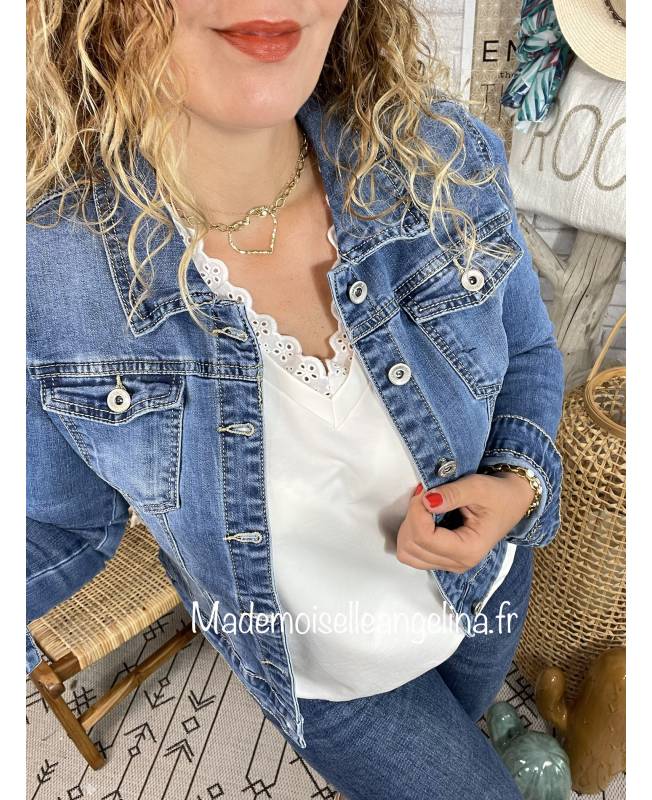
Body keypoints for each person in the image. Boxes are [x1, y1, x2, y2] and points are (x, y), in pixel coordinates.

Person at [26, 2, 564, 798]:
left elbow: (528, 353)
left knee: (468, 722)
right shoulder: (43, 278)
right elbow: (51, 524)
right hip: (327, 685)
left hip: (488, 591)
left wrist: (517, 484)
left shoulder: (442, 153)